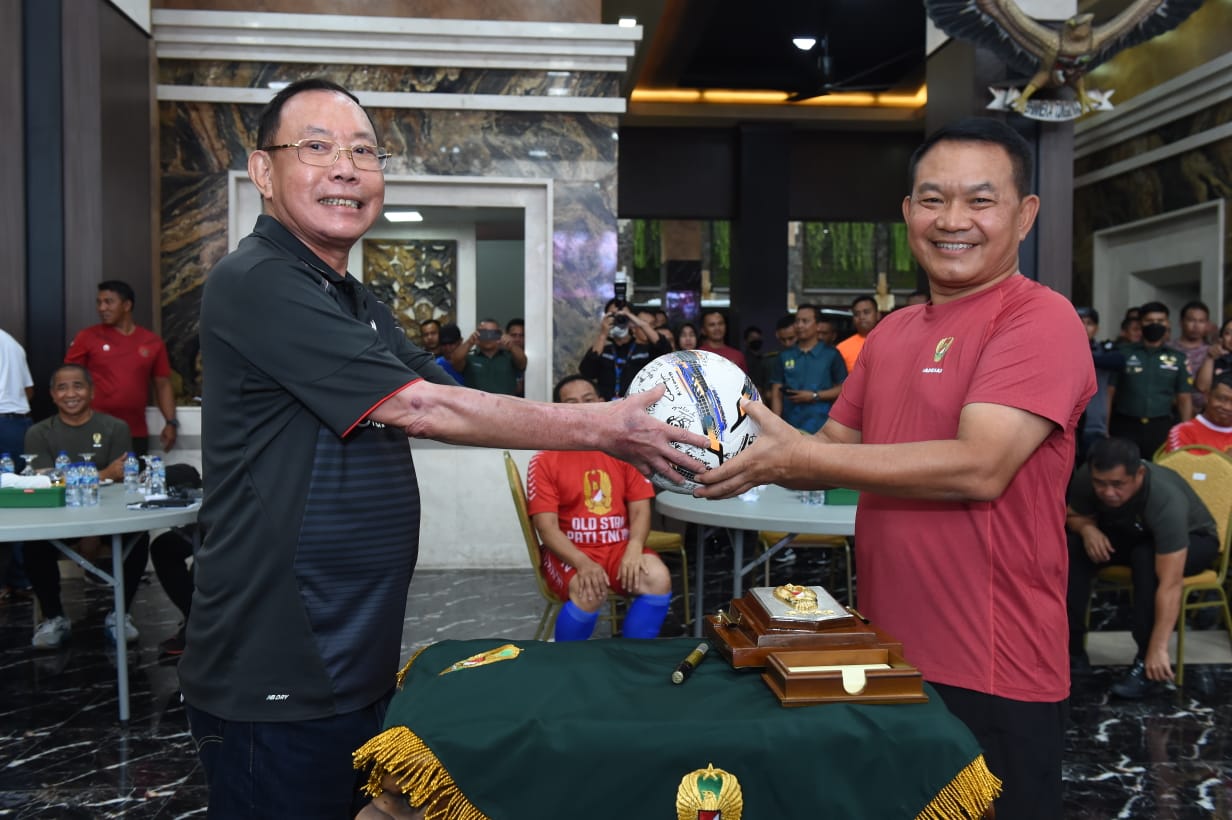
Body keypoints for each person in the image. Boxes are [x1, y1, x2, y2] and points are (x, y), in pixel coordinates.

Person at [189, 78, 706, 819]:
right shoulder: (258, 281)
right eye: (317, 147)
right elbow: (421, 407)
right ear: (263, 172)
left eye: (363, 151)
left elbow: (442, 386)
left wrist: (613, 420)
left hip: (351, 648)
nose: (346, 168)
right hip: (278, 659)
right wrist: (602, 427)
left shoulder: (352, 299)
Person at [695, 117, 1095, 819]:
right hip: (886, 653)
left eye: (980, 200)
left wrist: (801, 454)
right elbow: (830, 450)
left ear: (1025, 214)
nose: (953, 220)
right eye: (933, 199)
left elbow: (979, 466)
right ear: (909, 212)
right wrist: (729, 445)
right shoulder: (892, 333)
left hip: (992, 666)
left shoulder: (1039, 319)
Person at [1065, 437, 1218, 698]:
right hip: (1132, 532)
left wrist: (1159, 647)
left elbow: (1170, 583)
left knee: (1146, 559)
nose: (1107, 492)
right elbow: (1073, 514)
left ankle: (1147, 664)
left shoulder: (1164, 499)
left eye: (1117, 484)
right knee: (1072, 547)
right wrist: (1088, 529)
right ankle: (1071, 651)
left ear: (1139, 474)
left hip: (1195, 540)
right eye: (1100, 483)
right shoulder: (1086, 477)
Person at [526, 374, 673, 642]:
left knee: (658, 578)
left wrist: (634, 547)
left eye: (588, 400)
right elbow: (547, 529)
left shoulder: (625, 452)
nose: (582, 408)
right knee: (589, 592)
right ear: (558, 410)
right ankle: (566, 659)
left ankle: (632, 655)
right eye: (571, 403)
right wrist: (583, 563)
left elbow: (640, 509)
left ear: (602, 403)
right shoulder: (545, 459)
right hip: (569, 552)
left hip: (618, 548)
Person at [23, 364, 148, 649]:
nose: (71, 394)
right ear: (53, 395)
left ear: (91, 391)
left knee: (139, 538)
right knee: (33, 545)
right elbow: (47, 481)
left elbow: (122, 478)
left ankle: (120, 615)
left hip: (109, 515)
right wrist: (103, 474)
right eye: (62, 388)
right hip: (57, 519)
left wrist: (93, 526)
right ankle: (54, 618)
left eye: (78, 386)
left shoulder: (115, 428)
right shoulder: (38, 432)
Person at [64, 280, 179, 454]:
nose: (102, 308)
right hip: (93, 428)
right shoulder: (86, 337)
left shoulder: (152, 341)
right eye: (99, 302)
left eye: (108, 302)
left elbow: (162, 384)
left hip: (135, 431)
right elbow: (68, 381)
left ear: (126, 305)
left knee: (134, 472)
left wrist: (170, 422)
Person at [1109, 301, 1193, 459]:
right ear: (1141, 323)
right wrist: (1103, 428)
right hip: (1125, 425)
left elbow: (1185, 399)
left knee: (1158, 468)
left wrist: (1186, 432)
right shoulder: (1122, 353)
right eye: (1149, 321)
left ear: (1168, 324)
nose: (1155, 325)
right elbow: (1109, 393)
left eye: (1160, 321)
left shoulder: (1178, 359)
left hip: (1161, 426)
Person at [768, 305, 847, 434]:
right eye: (797, 321)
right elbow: (776, 391)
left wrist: (815, 396)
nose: (799, 325)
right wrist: (775, 423)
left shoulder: (831, 354)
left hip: (822, 425)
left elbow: (843, 388)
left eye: (805, 321)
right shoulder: (785, 356)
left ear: (818, 325)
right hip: (790, 425)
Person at [579, 299, 670, 400]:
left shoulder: (645, 350)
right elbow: (587, 372)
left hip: (638, 405)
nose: (618, 318)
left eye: (623, 315)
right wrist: (603, 334)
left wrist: (640, 323)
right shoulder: (603, 350)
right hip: (608, 406)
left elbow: (665, 350)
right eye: (613, 315)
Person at [1076, 307, 1124, 465]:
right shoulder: (1058, 349)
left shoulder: (1104, 350)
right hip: (1067, 427)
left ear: (1096, 328)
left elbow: (1119, 361)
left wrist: (1081, 355)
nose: (1084, 327)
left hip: (1095, 426)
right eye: (1079, 321)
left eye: (1089, 323)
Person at [449, 318, 526, 395]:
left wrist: (511, 345)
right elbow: (455, 360)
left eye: (492, 333)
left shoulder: (510, 357)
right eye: (484, 333)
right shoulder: (470, 358)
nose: (488, 337)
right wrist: (470, 342)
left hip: (505, 402)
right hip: (476, 402)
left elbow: (523, 362)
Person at [1165, 371, 1232, 453]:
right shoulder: (1183, 432)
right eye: (1222, 399)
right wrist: (1225, 458)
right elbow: (1181, 461)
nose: (1227, 407)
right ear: (1207, 396)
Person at [1173, 301, 1211, 414]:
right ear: (1181, 322)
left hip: (1205, 414)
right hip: (1172, 412)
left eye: (1201, 321)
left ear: (1207, 324)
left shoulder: (1212, 352)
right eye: (1191, 320)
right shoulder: (1168, 350)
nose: (1196, 326)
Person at [836, 294, 880, 373]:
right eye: (856, 314)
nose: (861, 317)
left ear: (878, 315)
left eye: (866, 312)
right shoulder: (842, 348)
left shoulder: (891, 342)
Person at [1193, 317, 1232, 394]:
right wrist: (1210, 357)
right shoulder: (1214, 358)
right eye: (1228, 333)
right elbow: (1202, 387)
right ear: (1221, 337)